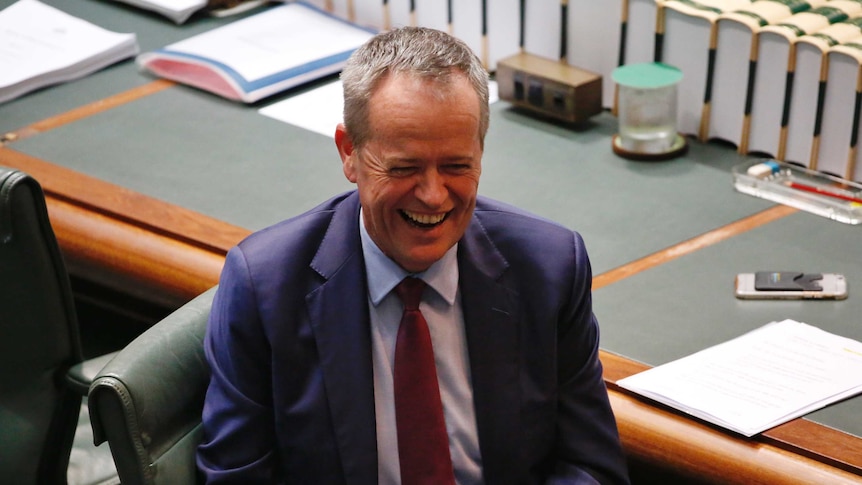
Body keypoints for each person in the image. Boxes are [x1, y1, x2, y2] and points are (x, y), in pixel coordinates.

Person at [197, 26, 630, 484]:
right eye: (404, 168)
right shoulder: (265, 286)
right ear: (349, 153)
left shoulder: (548, 267)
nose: (433, 195)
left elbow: (590, 467)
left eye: (456, 166)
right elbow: (234, 477)